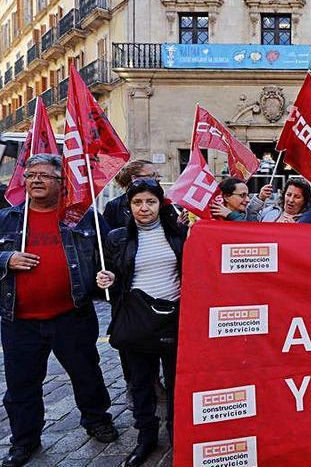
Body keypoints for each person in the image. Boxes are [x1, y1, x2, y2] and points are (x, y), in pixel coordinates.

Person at [0, 154, 118, 467]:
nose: (36, 180)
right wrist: (4, 260)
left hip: (72, 316)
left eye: (45, 175)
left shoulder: (84, 217)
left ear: (62, 184)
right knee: (21, 385)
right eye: (31, 174)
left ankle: (96, 420)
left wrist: (108, 275)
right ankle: (24, 440)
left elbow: (112, 254)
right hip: (20, 321)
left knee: (87, 374)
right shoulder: (4, 220)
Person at [96, 179, 186, 466]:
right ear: (129, 205)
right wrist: (107, 278)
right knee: (140, 384)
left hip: (174, 318)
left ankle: (176, 432)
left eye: (150, 202)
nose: (144, 208)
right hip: (135, 319)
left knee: (176, 383)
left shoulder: (178, 234)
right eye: (137, 202)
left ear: (160, 204)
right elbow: (112, 275)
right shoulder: (117, 238)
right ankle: (146, 436)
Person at [103, 160, 159, 230]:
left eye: (151, 202)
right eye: (151, 176)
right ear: (135, 178)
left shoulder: (165, 203)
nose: (157, 179)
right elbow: (107, 236)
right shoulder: (114, 206)